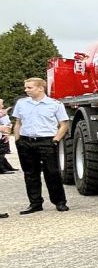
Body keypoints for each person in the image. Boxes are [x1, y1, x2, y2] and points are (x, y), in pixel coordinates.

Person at [11, 78, 70, 214]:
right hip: (26, 142)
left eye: (29, 87)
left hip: (47, 142)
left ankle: (59, 202)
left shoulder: (55, 104)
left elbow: (64, 124)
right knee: (30, 173)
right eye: (25, 87)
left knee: (52, 173)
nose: (26, 90)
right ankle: (35, 203)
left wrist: (55, 140)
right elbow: (18, 123)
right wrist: (18, 140)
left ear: (40, 88)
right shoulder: (21, 103)